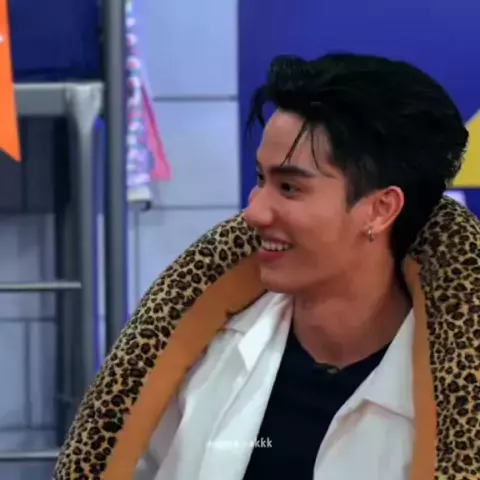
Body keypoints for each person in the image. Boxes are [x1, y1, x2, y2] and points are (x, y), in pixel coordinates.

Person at [135, 53, 468, 480]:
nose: (254, 212)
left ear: (380, 209)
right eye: (261, 179)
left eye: (289, 187)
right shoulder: (198, 353)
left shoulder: (459, 391)